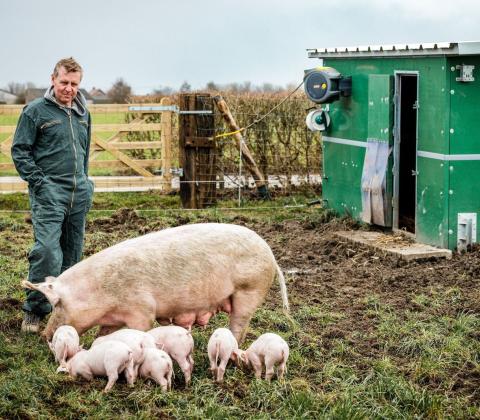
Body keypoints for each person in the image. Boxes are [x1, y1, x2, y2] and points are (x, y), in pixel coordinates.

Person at [11, 57, 94, 333]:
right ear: (52, 80)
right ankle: (35, 311)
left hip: (77, 194)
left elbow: (83, 154)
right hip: (49, 193)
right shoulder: (35, 112)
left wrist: (86, 183)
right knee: (47, 252)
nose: (69, 89)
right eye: (64, 82)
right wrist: (40, 183)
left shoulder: (83, 113)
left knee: (73, 256)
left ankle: (66, 313)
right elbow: (20, 151)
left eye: (74, 84)